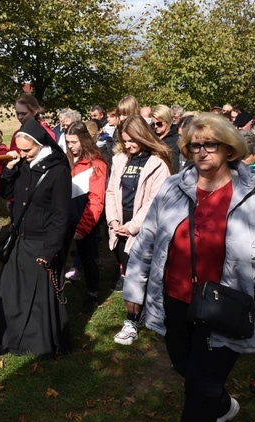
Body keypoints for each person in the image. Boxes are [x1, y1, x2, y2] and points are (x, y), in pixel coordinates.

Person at [124, 112, 255, 421]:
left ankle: (209, 406)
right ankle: (223, 406)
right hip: (175, 301)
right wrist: (134, 289)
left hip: (225, 308)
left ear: (229, 148)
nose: (201, 151)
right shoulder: (173, 188)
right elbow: (147, 240)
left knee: (200, 389)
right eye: (194, 145)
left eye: (210, 144)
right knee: (186, 369)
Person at [0, 118, 72, 359]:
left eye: (27, 150)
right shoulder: (23, 165)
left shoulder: (58, 170)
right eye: (20, 149)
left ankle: (38, 343)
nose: (23, 154)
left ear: (40, 144)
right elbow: (9, 194)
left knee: (39, 297)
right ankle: (5, 339)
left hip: (42, 242)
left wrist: (49, 250)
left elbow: (61, 215)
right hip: (19, 237)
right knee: (10, 291)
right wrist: (8, 171)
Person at [107, 116, 173, 345]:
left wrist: (132, 226)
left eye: (132, 140)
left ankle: (132, 320)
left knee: (136, 275)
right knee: (128, 270)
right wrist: (114, 221)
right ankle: (141, 310)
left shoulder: (157, 164)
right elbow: (111, 192)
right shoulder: (119, 160)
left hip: (143, 229)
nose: (128, 145)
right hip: (120, 226)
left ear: (143, 136)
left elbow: (155, 200)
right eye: (124, 141)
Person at [64, 121, 108, 310]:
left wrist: (83, 228)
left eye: (74, 142)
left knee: (88, 258)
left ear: (84, 140)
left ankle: (92, 294)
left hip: (85, 222)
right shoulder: (66, 160)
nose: (71, 146)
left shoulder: (96, 164)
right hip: (65, 220)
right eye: (68, 142)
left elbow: (96, 200)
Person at [151, 104, 180, 173]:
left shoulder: (177, 138)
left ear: (167, 121)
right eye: (153, 123)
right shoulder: (150, 134)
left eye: (159, 124)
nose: (155, 127)